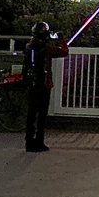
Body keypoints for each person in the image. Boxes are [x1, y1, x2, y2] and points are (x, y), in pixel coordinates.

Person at [22, 21, 69, 152]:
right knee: (42, 115)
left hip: (32, 83)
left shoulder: (29, 46)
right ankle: (39, 141)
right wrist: (61, 39)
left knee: (31, 114)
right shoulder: (46, 48)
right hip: (43, 83)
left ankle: (29, 142)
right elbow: (64, 52)